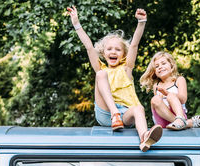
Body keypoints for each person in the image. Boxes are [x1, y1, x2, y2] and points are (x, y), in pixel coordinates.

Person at [67, 6, 162, 152]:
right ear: (103, 53)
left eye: (118, 50)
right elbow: (89, 48)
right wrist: (76, 24)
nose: (113, 52)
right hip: (106, 113)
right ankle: (114, 114)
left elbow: (134, 45)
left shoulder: (126, 68)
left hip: (125, 115)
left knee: (138, 108)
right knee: (100, 75)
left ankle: (144, 138)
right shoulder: (101, 69)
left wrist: (141, 22)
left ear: (123, 54)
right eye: (109, 49)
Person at [140, 51, 200, 130]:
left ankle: (180, 120)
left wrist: (167, 93)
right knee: (155, 99)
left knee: (171, 95)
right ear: (155, 72)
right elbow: (157, 105)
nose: (160, 67)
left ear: (171, 66)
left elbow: (183, 99)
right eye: (156, 66)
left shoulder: (179, 80)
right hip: (162, 120)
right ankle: (186, 123)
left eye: (163, 63)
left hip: (178, 114)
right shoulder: (156, 85)